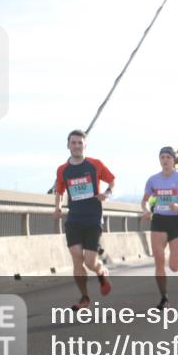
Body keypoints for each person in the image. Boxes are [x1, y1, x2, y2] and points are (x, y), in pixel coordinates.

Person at [54, 129, 115, 311]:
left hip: (93, 218)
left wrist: (106, 193)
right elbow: (59, 191)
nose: (76, 146)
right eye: (73, 143)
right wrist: (57, 207)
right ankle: (84, 297)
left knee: (89, 261)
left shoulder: (95, 164)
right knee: (76, 257)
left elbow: (112, 181)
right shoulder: (62, 170)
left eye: (80, 143)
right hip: (74, 219)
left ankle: (101, 271)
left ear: (85, 145)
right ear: (68, 146)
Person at [140, 146, 178, 310]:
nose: (165, 160)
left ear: (173, 160)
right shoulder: (153, 180)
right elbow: (144, 201)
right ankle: (164, 298)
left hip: (177, 221)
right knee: (159, 261)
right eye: (162, 157)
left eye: (168, 157)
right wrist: (146, 211)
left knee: (173, 266)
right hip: (159, 220)